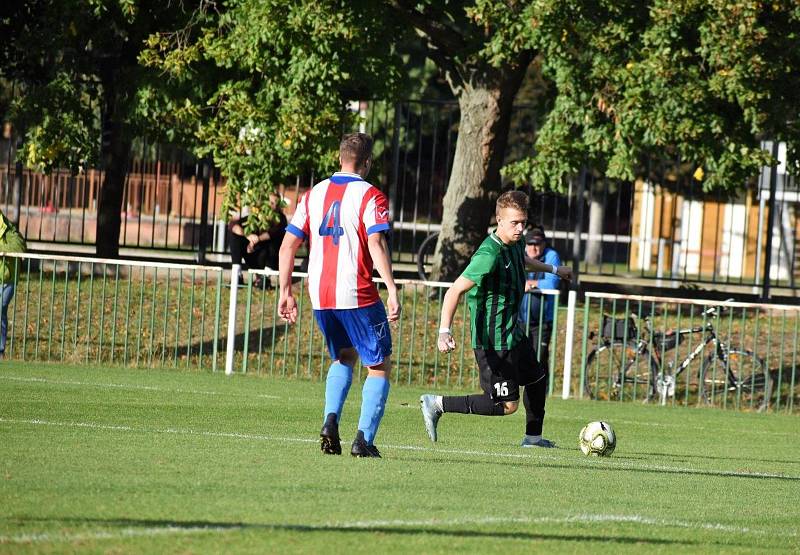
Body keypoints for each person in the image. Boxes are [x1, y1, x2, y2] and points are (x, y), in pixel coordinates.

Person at [278, 132, 401, 458]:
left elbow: (288, 244)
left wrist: (285, 291)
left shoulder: (312, 194)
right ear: (368, 162)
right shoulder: (372, 196)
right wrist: (391, 288)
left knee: (343, 357)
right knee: (378, 365)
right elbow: (376, 243)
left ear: (339, 158)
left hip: (320, 292)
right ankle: (364, 440)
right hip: (357, 292)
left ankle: (330, 421)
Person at [419, 191, 571, 448]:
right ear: (499, 220)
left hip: (513, 333)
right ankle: (436, 403)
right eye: (514, 223)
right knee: (505, 405)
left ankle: (533, 439)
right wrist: (443, 331)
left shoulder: (515, 243)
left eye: (523, 222)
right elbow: (454, 290)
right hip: (493, 341)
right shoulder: (488, 254)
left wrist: (554, 269)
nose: (520, 228)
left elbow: (522, 261)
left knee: (536, 378)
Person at [518, 226, 561, 370]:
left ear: (544, 244)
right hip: (519, 320)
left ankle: (541, 392)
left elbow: (552, 284)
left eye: (537, 244)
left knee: (538, 361)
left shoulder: (551, 256)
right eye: (530, 244)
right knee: (519, 358)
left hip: (542, 322)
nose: (533, 248)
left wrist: (530, 284)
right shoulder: (518, 254)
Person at [229, 192, 287, 288]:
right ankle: (237, 274)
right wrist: (248, 236)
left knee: (276, 240)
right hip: (253, 252)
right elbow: (232, 225)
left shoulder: (281, 218)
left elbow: (274, 233)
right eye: (271, 203)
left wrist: (257, 239)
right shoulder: (256, 216)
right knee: (234, 236)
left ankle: (266, 277)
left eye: (277, 203)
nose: (274, 206)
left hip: (269, 256)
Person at [0, 210, 26, 359]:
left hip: (7, 279)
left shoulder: (9, 230)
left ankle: (0, 350)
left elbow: (19, 247)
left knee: (0, 310)